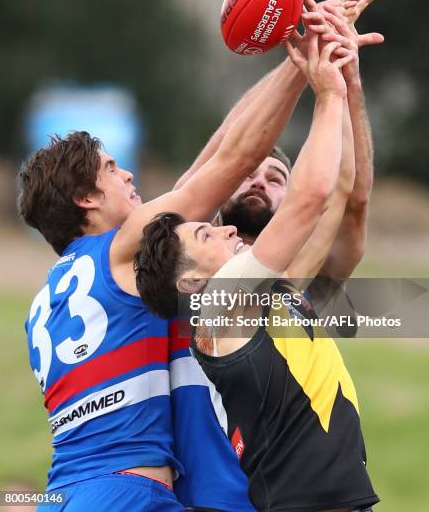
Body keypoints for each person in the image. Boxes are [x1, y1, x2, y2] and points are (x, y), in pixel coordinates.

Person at [19, 30, 313, 511]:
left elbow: (204, 171)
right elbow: (233, 161)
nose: (129, 175)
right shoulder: (120, 251)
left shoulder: (41, 302)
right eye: (112, 169)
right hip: (126, 490)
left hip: (61, 492)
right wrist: (300, 65)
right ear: (86, 199)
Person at [135, 26, 380, 510]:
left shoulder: (276, 288)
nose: (222, 232)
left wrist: (344, 72)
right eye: (207, 232)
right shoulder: (223, 302)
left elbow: (338, 189)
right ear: (190, 280)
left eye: (275, 176)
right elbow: (304, 192)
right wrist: (323, 85)